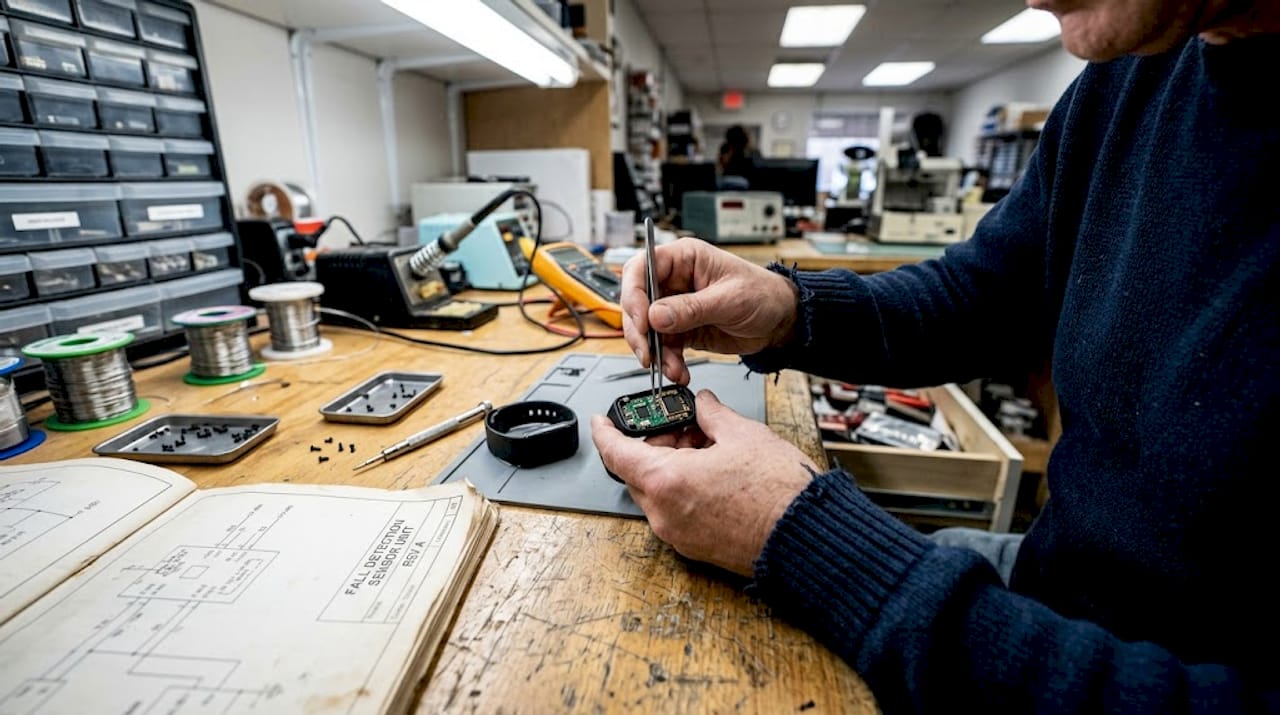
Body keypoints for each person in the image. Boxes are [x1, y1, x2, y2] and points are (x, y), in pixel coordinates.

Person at [590, 0, 1280, 711]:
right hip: (1053, 572)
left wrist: (807, 542)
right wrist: (789, 312)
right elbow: (976, 296)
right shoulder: (1130, 77)